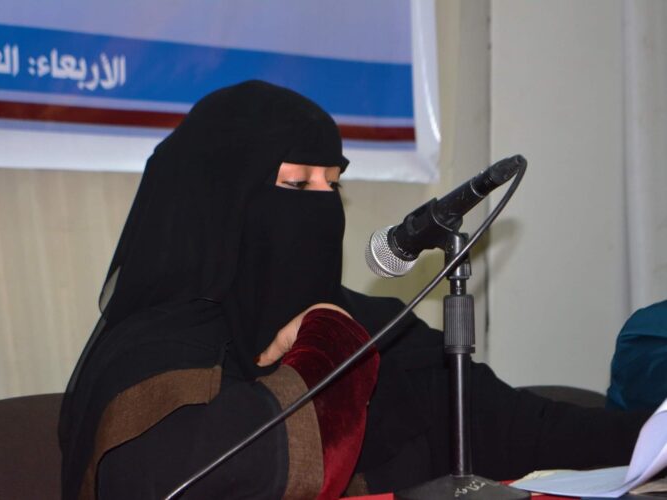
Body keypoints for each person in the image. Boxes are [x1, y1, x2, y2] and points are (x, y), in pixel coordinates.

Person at [59, 80, 649, 500]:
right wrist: (328, 345)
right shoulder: (153, 353)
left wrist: (653, 435)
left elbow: (524, 428)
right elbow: (209, 479)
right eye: (297, 185)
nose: (321, 209)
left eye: (332, 185)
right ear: (219, 199)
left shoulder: (379, 330)